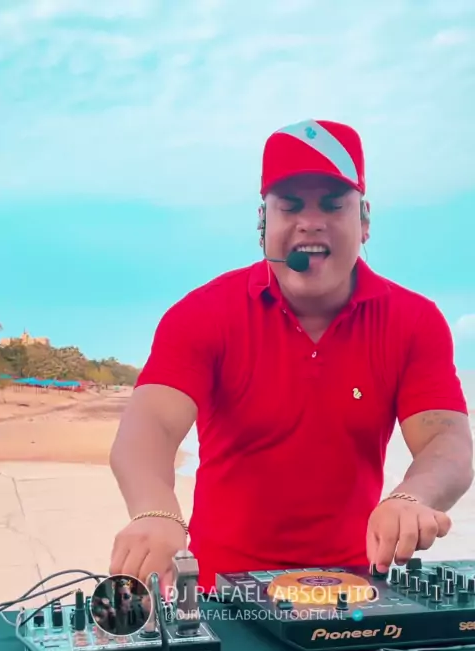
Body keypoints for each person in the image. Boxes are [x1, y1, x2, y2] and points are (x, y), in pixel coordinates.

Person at [108, 118, 473, 596]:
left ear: (364, 222)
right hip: (223, 593)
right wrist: (155, 512)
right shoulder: (202, 313)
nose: (310, 222)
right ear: (263, 224)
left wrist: (412, 497)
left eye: (333, 204)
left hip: (357, 588)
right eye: (291, 205)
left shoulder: (415, 321)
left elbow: (448, 441)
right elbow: (150, 424)